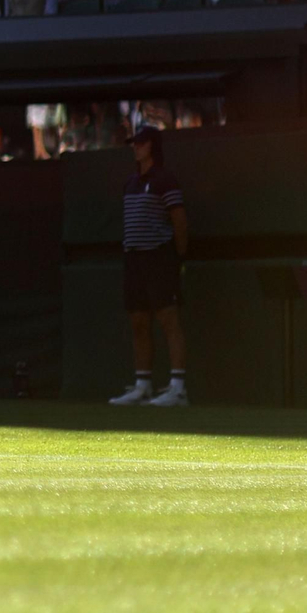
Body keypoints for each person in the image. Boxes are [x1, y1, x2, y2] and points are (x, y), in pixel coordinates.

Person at [109, 126, 189, 407]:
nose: (136, 147)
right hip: (134, 260)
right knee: (139, 321)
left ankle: (178, 389)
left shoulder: (165, 180)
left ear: (152, 146)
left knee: (168, 319)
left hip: (160, 258)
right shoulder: (130, 183)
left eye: (141, 143)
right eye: (134, 143)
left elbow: (179, 221)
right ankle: (142, 386)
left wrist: (178, 258)